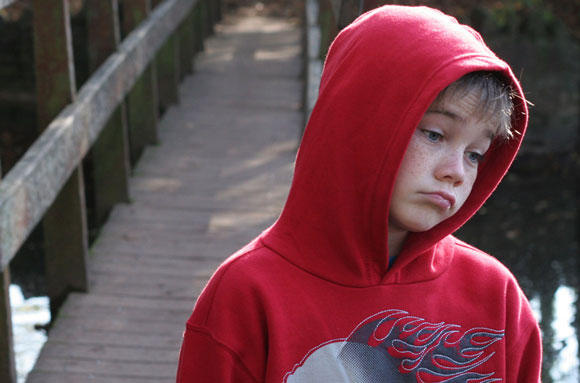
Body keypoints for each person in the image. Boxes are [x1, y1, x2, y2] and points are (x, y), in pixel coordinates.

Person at [176, 5, 542, 382]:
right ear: (361, 123)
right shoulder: (247, 294)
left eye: (475, 154)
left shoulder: (496, 297)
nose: (456, 171)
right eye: (434, 134)